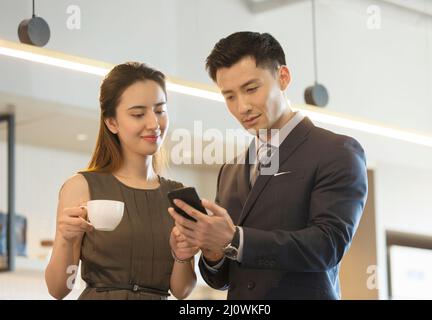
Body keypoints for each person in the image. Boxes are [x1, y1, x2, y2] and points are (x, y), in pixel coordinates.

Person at [168, 32, 368, 299]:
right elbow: (224, 279)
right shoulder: (230, 170)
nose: (243, 106)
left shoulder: (336, 151)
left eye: (251, 89)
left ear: (283, 77)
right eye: (229, 96)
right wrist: (212, 249)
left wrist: (234, 239)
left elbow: (327, 245)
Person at [45, 62, 198, 300]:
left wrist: (182, 255)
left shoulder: (178, 195)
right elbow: (58, 288)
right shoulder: (81, 187)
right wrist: (66, 240)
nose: (153, 123)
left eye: (160, 110)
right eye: (138, 114)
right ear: (112, 122)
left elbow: (182, 290)